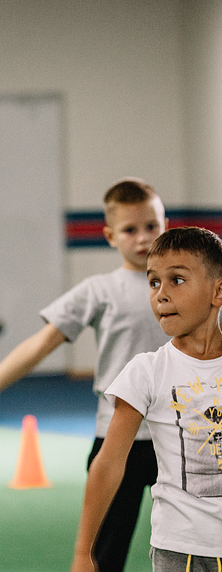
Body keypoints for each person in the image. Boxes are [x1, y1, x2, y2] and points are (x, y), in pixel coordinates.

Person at [0, 178, 168, 572]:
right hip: (117, 440)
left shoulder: (186, 284)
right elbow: (42, 344)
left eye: (153, 226)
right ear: (110, 236)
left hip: (181, 435)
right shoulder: (99, 291)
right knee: (102, 555)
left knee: (193, 542)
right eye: (131, 229)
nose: (144, 238)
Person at [70, 226, 222, 572]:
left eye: (177, 280)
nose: (161, 295)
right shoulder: (146, 371)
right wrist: (84, 552)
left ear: (218, 290)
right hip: (179, 549)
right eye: (153, 283)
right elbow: (108, 464)